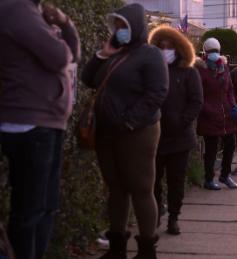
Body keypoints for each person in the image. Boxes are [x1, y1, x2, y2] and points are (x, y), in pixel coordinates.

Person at [81, 4, 168, 258]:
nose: (119, 31)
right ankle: (117, 247)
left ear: (136, 28)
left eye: (124, 26)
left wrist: (130, 121)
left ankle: (146, 249)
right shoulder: (116, 54)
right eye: (117, 26)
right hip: (107, 131)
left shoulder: (150, 54)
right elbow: (88, 79)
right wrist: (103, 53)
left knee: (141, 188)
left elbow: (157, 93)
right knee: (116, 188)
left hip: (138, 131)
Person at [0, 0, 80, 258]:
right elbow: (59, 57)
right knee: (31, 210)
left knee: (45, 207)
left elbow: (73, 56)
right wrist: (59, 41)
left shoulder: (32, 12)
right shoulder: (17, 9)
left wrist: (65, 24)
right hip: (29, 124)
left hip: (45, 122)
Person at [149, 25, 203, 235]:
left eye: (169, 46)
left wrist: (183, 121)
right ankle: (154, 214)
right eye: (161, 46)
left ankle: (174, 216)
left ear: (178, 48)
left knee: (176, 181)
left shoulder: (188, 73)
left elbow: (196, 101)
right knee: (152, 180)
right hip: (153, 136)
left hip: (180, 137)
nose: (165, 49)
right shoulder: (151, 71)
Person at [195, 38, 237, 191]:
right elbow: (197, 93)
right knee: (211, 148)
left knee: (230, 144)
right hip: (209, 115)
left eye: (216, 51)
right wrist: (206, 109)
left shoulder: (224, 68)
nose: (214, 54)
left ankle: (225, 175)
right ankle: (208, 178)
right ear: (205, 52)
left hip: (226, 114)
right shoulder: (200, 69)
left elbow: (230, 89)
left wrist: (233, 106)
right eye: (211, 51)